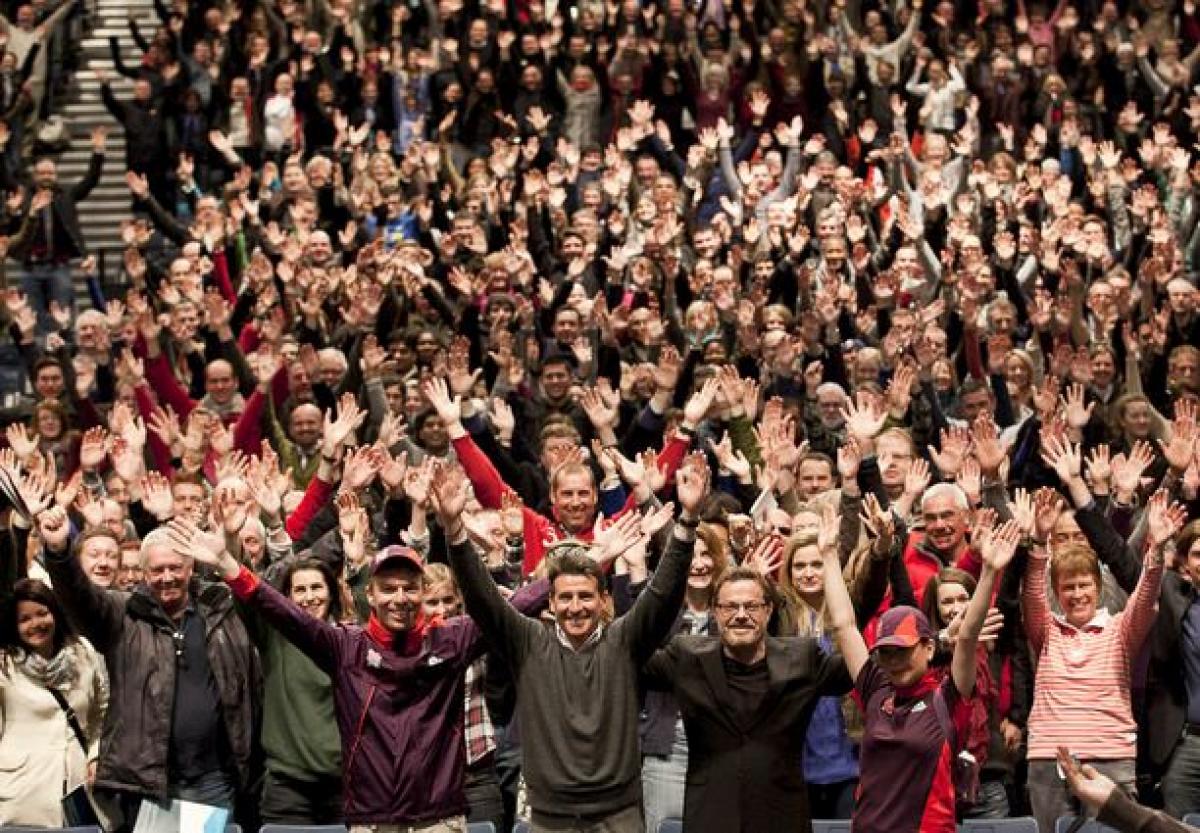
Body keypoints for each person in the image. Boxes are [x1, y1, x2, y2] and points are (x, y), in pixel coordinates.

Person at [169, 514, 556, 831]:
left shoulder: (451, 639)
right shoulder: (345, 647)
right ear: (369, 595)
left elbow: (513, 608)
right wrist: (229, 567)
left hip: (441, 820)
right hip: (371, 822)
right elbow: (281, 611)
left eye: (409, 588)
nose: (400, 598)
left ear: (422, 591)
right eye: (389, 589)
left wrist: (569, 570)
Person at [435, 451, 705, 833]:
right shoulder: (528, 640)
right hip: (548, 819)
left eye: (585, 596)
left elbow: (663, 595)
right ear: (550, 601)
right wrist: (454, 533)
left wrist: (688, 523)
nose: (575, 607)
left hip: (620, 815)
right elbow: (483, 600)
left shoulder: (623, 640)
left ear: (603, 600)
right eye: (565, 597)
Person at [37, 506, 260, 831]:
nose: (167, 577)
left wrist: (230, 544)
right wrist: (60, 552)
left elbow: (254, 594)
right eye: (157, 570)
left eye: (174, 568)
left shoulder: (219, 609)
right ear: (143, 573)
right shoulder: (122, 613)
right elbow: (79, 598)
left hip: (213, 776)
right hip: (150, 780)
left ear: (190, 567)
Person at [638, 503, 854, 833]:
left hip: (782, 821)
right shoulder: (686, 656)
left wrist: (833, 561)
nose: (741, 614)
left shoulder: (803, 657)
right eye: (730, 606)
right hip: (710, 820)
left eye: (751, 605)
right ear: (715, 612)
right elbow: (630, 647)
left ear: (769, 611)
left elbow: (859, 662)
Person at [825, 508, 1016, 833]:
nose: (894, 659)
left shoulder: (948, 699)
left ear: (929, 648)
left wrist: (989, 572)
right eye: (886, 652)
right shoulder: (875, 688)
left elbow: (967, 636)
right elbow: (844, 626)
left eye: (903, 650)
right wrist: (829, 554)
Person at [0, 578, 108, 826]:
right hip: (22, 795)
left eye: (42, 613)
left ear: (55, 613)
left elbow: (102, 712)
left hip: (80, 787)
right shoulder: (4, 666)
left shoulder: (83, 652)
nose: (35, 624)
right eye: (24, 619)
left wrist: (95, 754)